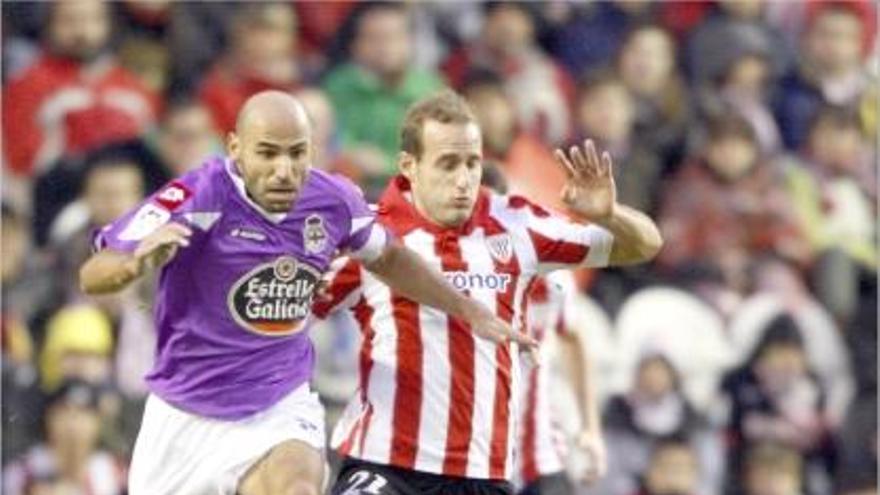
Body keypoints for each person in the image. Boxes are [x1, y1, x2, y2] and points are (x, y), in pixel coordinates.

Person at [79, 90, 525, 495]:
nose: (284, 171)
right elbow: (94, 273)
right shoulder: (198, 195)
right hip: (185, 416)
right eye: (267, 154)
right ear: (235, 148)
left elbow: (388, 258)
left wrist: (468, 309)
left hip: (278, 405)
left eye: (297, 154)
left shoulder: (333, 202)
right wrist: (134, 263)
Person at [315, 90, 662, 494]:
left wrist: (609, 215)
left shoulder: (517, 225)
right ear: (409, 165)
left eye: (472, 163)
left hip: (483, 474)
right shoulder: (372, 236)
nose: (463, 179)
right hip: (386, 464)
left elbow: (644, 245)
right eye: (447, 164)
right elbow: (292, 311)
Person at [516, 273, 607, 495]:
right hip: (466, 446)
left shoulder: (555, 277)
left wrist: (590, 427)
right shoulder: (461, 263)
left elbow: (571, 337)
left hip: (534, 450)